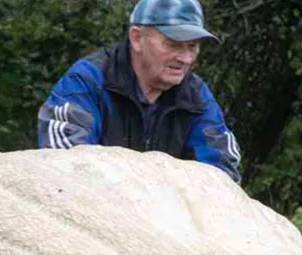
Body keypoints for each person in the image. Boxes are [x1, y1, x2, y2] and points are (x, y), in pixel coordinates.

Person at [37, 0, 242, 183]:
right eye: (173, 44)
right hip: (96, 209)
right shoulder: (88, 80)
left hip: (167, 218)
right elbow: (64, 161)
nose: (186, 58)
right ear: (136, 38)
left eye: (192, 46)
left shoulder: (196, 97)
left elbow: (221, 173)